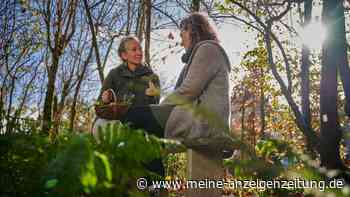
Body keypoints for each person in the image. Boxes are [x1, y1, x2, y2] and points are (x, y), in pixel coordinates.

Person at [160, 13, 232, 196]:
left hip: (204, 123)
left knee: (144, 125)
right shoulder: (200, 54)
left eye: (182, 35)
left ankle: (148, 188)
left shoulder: (208, 49)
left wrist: (159, 110)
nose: (181, 42)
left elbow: (188, 90)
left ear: (192, 31)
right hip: (200, 121)